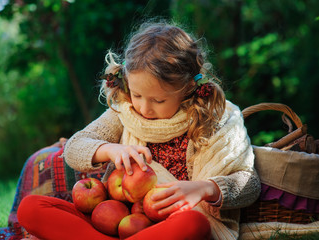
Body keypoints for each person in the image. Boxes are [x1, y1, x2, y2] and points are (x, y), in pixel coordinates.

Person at [17, 21, 261, 240]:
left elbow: (249, 184)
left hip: (171, 224)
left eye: (158, 101)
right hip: (117, 221)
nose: (144, 107)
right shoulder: (125, 112)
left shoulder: (214, 119)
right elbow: (74, 148)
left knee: (193, 224)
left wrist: (205, 188)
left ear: (187, 88)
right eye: (137, 95)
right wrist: (109, 150)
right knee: (30, 208)